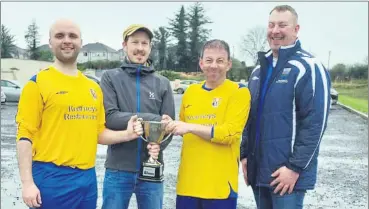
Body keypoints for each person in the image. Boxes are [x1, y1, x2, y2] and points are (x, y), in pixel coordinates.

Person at [15, 19, 143, 209]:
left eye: (72, 36)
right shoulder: (37, 84)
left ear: (81, 43)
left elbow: (98, 133)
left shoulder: (93, 88)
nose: (67, 40)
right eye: (60, 36)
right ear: (50, 43)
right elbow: (24, 136)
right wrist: (27, 183)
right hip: (51, 177)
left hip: (87, 178)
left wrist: (127, 134)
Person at [240, 5, 331, 209]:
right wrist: (245, 156)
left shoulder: (309, 66)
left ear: (296, 29)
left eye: (282, 25)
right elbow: (248, 117)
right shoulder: (257, 70)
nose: (275, 31)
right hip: (259, 172)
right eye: (271, 25)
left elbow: (315, 123)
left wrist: (295, 168)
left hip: (287, 176)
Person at [164, 39, 251, 209]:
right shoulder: (191, 92)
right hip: (188, 185)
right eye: (209, 60)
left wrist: (189, 127)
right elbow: (182, 128)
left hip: (219, 188)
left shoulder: (239, 92)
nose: (214, 65)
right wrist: (170, 125)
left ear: (228, 64)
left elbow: (230, 133)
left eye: (220, 61)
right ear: (201, 63)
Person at [100, 24, 175, 209]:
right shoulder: (110, 77)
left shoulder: (163, 83)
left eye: (145, 43)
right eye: (135, 42)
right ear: (124, 45)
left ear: (150, 47)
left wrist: (159, 144)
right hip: (118, 169)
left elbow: (168, 125)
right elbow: (110, 117)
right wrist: (152, 118)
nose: (140, 48)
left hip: (153, 169)